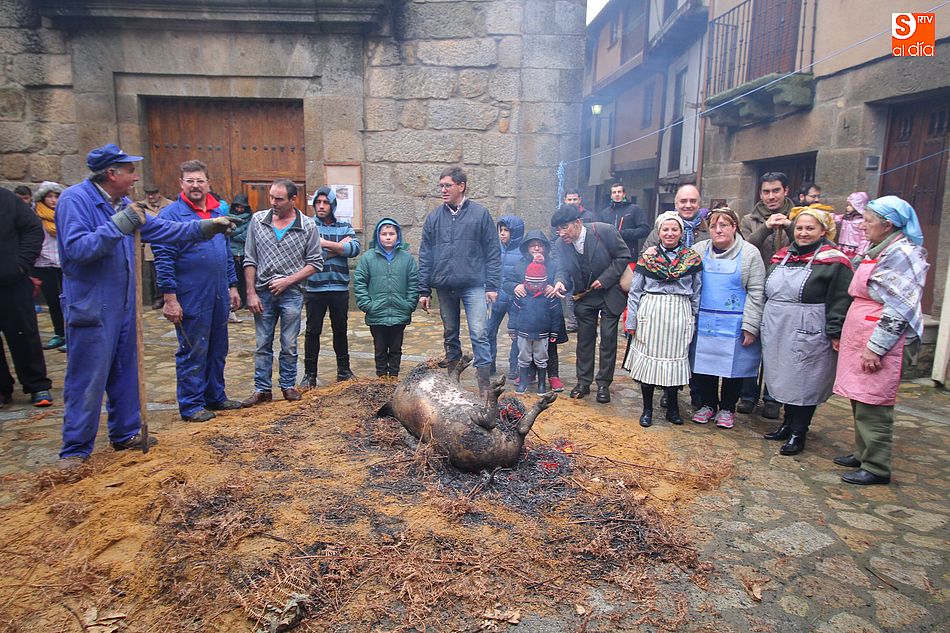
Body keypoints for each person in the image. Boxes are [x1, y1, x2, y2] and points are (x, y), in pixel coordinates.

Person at [56, 143, 237, 466]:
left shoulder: (123, 203)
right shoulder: (76, 201)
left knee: (126, 369)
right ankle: (75, 449)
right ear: (112, 173)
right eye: (130, 171)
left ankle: (125, 432)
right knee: (88, 376)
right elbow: (77, 250)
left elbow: (165, 231)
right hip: (92, 307)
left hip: (124, 305)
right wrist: (119, 225)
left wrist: (207, 227)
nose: (136, 177)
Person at [833, 196, 928, 485]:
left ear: (887, 225)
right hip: (862, 333)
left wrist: (876, 348)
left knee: (874, 402)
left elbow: (898, 307)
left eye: (869, 221)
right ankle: (863, 453)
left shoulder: (902, 254)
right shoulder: (881, 248)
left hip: (879, 338)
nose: (863, 226)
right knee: (860, 398)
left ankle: (876, 466)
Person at [153, 160, 243, 423]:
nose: (195, 185)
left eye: (200, 180)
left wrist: (232, 285)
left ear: (208, 183)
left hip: (217, 291)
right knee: (193, 348)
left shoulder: (217, 213)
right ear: (181, 184)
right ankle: (192, 404)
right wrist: (170, 298)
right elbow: (164, 257)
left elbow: (225, 253)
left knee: (218, 347)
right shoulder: (171, 216)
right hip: (191, 292)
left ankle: (215, 395)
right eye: (190, 181)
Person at [760, 207, 853, 455]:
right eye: (799, 228)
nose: (803, 233)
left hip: (810, 326)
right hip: (779, 325)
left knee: (805, 380)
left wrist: (835, 331)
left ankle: (799, 431)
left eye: (810, 228)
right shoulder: (783, 256)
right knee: (785, 377)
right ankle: (787, 423)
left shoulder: (835, 261)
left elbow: (840, 299)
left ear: (823, 231)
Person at [418, 167, 501, 399]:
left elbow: (493, 252)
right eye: (441, 186)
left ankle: (483, 383)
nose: (443, 190)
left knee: (479, 332)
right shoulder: (434, 217)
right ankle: (453, 379)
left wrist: (492, 285)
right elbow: (425, 255)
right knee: (450, 332)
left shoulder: (480, 214)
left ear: (461, 186)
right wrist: (423, 289)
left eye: (448, 185)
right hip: (444, 285)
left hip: (474, 284)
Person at [241, 179, 323, 407]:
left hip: (292, 293)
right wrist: (250, 293)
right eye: (271, 198)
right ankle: (262, 389)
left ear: (293, 199)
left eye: (279, 199)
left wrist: (288, 281)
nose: (274, 203)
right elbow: (250, 259)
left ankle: (287, 385)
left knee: (288, 342)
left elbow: (315, 263)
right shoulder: (258, 221)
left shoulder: (307, 226)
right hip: (262, 291)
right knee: (262, 342)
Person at [624, 211, 703, 427]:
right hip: (652, 311)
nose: (670, 233)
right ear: (659, 233)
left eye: (674, 229)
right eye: (665, 229)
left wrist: (693, 319)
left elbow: (696, 291)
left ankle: (673, 409)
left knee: (674, 362)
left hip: (679, 312)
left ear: (681, 232)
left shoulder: (691, 259)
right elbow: (635, 291)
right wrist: (631, 321)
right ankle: (647, 409)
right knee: (650, 364)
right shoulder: (647, 258)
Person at [689, 207, 765, 429]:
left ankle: (728, 408)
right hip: (705, 321)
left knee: (734, 367)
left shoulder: (749, 253)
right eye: (713, 226)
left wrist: (750, 325)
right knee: (705, 364)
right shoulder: (698, 251)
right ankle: (708, 405)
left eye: (724, 225)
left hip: (736, 323)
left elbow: (756, 290)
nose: (718, 230)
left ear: (734, 227)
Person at [550, 204, 630, 403]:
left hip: (610, 293)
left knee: (608, 338)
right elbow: (562, 270)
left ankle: (603, 384)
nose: (561, 233)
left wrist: (606, 279)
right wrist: (559, 281)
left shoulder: (604, 231)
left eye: (564, 227)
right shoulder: (561, 245)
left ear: (577, 223)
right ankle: (583, 382)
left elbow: (623, 256)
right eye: (557, 229)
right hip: (584, 296)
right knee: (584, 340)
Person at [737, 171, 795, 418]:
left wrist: (790, 227)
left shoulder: (799, 217)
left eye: (776, 191)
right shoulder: (749, 219)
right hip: (756, 289)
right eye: (766, 192)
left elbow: (805, 243)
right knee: (750, 342)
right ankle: (748, 394)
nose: (771, 197)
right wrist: (766, 228)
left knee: (778, 347)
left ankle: (773, 398)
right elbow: (745, 247)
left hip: (786, 292)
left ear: (786, 191)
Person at [300, 187, 361, 387]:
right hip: (314, 288)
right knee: (312, 331)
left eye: (326, 203)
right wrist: (337, 248)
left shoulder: (345, 226)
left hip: (339, 288)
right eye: (318, 202)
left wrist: (324, 243)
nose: (321, 206)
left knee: (340, 330)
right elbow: (307, 254)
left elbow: (354, 249)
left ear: (332, 205)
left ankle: (343, 370)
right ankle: (310, 374)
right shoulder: (307, 226)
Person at [0, 187, 53, 408]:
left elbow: (33, 230)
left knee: (24, 333)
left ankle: (37, 384)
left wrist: (20, 265)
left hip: (13, 281)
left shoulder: (7, 200)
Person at [353, 218, 418, 379]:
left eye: (391, 234)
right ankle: (381, 376)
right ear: (378, 236)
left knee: (396, 348)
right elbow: (360, 282)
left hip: (399, 311)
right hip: (377, 312)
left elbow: (414, 283)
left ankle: (394, 375)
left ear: (398, 236)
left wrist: (409, 304)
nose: (388, 237)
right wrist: (367, 305)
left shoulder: (407, 259)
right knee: (380, 348)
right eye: (384, 234)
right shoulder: (368, 258)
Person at [505, 230, 568, 393]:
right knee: (526, 346)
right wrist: (515, 287)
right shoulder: (520, 264)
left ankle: (553, 376)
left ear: (545, 248)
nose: (537, 249)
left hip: (549, 311)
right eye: (533, 245)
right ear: (527, 248)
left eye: (540, 245)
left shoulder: (552, 263)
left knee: (550, 346)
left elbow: (561, 274)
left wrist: (555, 284)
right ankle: (529, 374)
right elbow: (507, 282)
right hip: (525, 314)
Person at [509, 259, 561, 395]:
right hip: (523, 333)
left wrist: (554, 332)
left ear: (544, 282)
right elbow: (513, 312)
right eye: (532, 283)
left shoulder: (549, 297)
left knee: (541, 358)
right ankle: (523, 383)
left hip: (542, 334)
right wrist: (512, 328)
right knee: (523, 357)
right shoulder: (521, 295)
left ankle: (542, 384)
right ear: (526, 282)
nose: (535, 286)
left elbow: (556, 315)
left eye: (539, 283)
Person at [487, 215, 525, 380]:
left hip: (516, 300)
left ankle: (514, 366)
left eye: (506, 230)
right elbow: (488, 270)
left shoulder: (523, 251)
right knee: (489, 331)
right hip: (496, 298)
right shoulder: (495, 249)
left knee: (516, 334)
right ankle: (489, 364)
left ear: (515, 232)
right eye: (500, 230)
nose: (502, 234)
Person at [32, 181, 67, 351]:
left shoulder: (65, 214)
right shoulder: (35, 216)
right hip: (44, 263)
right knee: (53, 301)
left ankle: (70, 333)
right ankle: (59, 333)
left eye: (56, 196)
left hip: (63, 262)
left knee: (67, 301)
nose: (53, 200)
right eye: (49, 196)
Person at [138, 184, 173, 309]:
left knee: (169, 270)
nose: (151, 196)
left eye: (153, 194)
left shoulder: (170, 205)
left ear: (159, 193)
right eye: (148, 194)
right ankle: (158, 298)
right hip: (151, 245)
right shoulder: (140, 206)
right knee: (155, 274)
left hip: (169, 243)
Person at [642, 184, 709, 250]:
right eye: (683, 201)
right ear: (676, 205)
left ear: (699, 204)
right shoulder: (662, 229)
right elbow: (643, 258)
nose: (688, 205)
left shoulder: (710, 230)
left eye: (693, 201)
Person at [596, 182, 650, 260]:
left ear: (624, 194)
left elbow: (645, 230)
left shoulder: (634, 209)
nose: (617, 194)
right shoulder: (605, 213)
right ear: (611, 196)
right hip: (609, 256)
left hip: (629, 254)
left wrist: (623, 233)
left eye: (619, 192)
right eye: (614, 192)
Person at [227, 194, 253, 321]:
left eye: (242, 207)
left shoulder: (251, 219)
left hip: (244, 252)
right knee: (234, 278)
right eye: (237, 207)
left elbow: (247, 235)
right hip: (232, 252)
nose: (239, 210)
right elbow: (228, 233)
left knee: (246, 278)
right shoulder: (228, 217)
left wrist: (234, 234)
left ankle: (246, 299)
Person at [835, 192, 871, 261]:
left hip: (854, 250)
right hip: (842, 248)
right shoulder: (845, 218)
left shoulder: (861, 221)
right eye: (848, 205)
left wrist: (861, 252)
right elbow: (835, 218)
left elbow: (864, 238)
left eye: (850, 205)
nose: (847, 207)